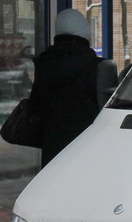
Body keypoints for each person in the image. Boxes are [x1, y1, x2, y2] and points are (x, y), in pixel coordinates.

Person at [27, 9, 111, 166]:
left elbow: (36, 107)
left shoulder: (44, 65)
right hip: (88, 146)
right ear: (85, 33)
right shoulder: (100, 67)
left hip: (53, 147)